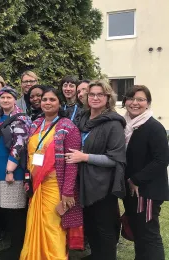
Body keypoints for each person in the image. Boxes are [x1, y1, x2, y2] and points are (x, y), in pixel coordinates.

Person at [65, 80, 126, 260]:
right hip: (83, 181)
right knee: (90, 224)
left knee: (104, 227)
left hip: (102, 185)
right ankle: (97, 255)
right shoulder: (82, 119)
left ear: (108, 98)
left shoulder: (113, 123)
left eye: (100, 94)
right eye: (92, 94)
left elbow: (115, 158)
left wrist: (85, 157)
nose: (95, 98)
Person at [20, 88, 83, 260]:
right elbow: (29, 154)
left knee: (52, 226)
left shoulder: (68, 127)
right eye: (44, 99)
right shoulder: (36, 124)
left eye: (52, 99)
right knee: (35, 223)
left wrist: (67, 191)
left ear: (59, 103)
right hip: (36, 183)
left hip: (55, 186)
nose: (47, 102)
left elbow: (72, 163)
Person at [121, 85, 169, 260]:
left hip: (146, 191)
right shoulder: (126, 125)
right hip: (132, 191)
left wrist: (136, 179)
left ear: (147, 103)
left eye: (140, 99)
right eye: (131, 98)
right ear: (125, 101)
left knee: (149, 235)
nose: (135, 103)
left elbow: (162, 160)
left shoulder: (154, 127)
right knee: (138, 233)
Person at [0, 87, 31, 260]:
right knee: (7, 209)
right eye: (2, 97)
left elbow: (18, 146)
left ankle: (17, 249)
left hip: (12, 171)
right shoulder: (0, 117)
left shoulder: (20, 118)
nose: (5, 100)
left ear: (15, 99)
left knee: (15, 212)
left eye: (9, 97)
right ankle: (13, 245)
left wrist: (10, 170)